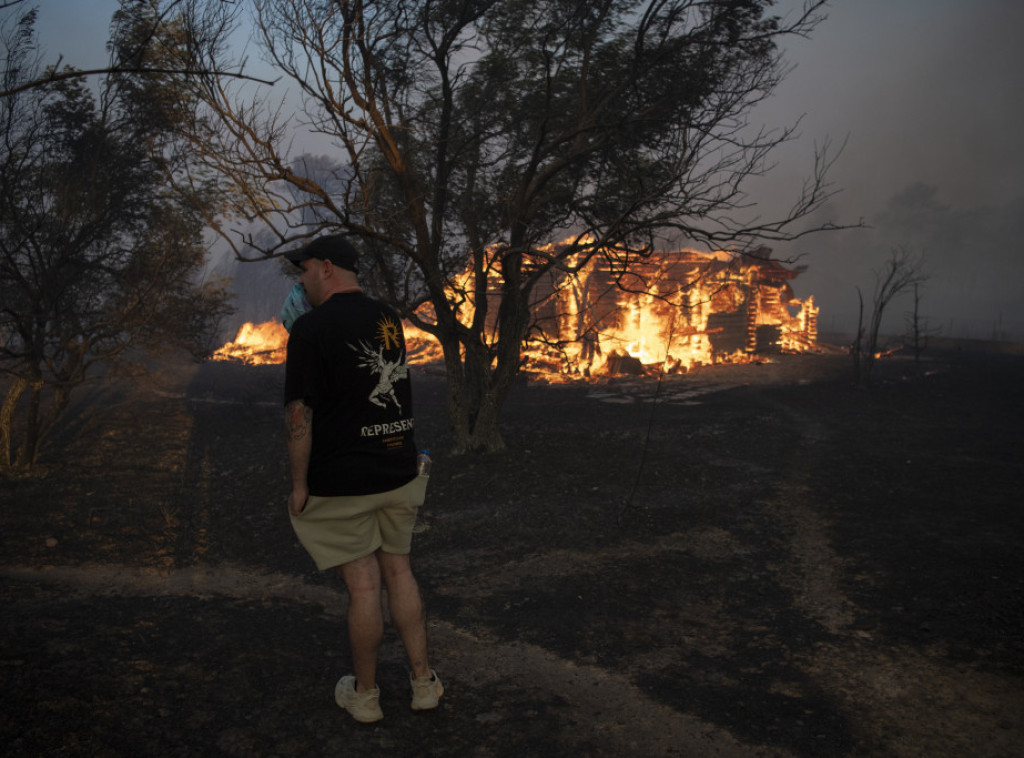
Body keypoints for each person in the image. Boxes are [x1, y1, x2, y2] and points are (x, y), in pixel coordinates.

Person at [282, 233, 442, 724]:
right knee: (400, 573)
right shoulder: (387, 316)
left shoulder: (309, 330)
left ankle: (366, 695)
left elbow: (299, 416)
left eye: (304, 269)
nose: (301, 279)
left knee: (365, 589)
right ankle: (423, 684)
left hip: (343, 480)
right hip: (397, 467)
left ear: (326, 267)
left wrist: (300, 484)